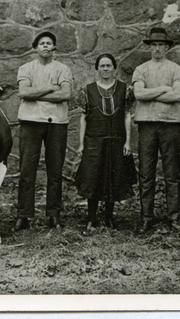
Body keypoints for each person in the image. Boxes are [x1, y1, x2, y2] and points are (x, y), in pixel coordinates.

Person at [14, 31, 73, 231]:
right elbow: (23, 92)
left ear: (54, 47)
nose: (46, 46)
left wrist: (36, 94)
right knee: (27, 170)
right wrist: (50, 88)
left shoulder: (63, 69)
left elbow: (66, 94)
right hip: (30, 122)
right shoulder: (26, 68)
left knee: (55, 171)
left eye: (49, 43)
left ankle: (54, 215)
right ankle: (23, 215)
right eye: (42, 43)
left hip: (57, 122)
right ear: (36, 47)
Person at [132, 26, 180, 234]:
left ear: (167, 48)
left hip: (170, 125)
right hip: (146, 124)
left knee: (171, 172)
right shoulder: (141, 69)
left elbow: (178, 96)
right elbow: (139, 94)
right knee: (146, 173)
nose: (157, 49)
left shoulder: (176, 69)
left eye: (161, 45)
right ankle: (147, 217)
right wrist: (164, 89)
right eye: (153, 45)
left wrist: (152, 93)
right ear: (149, 47)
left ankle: (174, 216)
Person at [75, 53, 137, 230]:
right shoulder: (87, 90)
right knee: (92, 178)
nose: (105, 69)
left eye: (108, 65)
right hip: (94, 141)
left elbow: (127, 116)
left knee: (113, 177)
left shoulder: (125, 89)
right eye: (102, 66)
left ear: (114, 69)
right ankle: (91, 218)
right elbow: (83, 118)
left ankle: (109, 217)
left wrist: (127, 143)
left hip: (116, 141)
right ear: (97, 69)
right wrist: (81, 144)